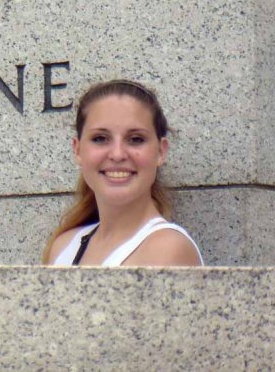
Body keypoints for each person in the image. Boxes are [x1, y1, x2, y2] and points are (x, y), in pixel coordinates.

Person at [43, 79, 203, 266]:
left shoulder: (168, 249)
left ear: (161, 151)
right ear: (77, 150)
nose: (117, 154)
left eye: (135, 139)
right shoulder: (63, 246)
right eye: (100, 138)